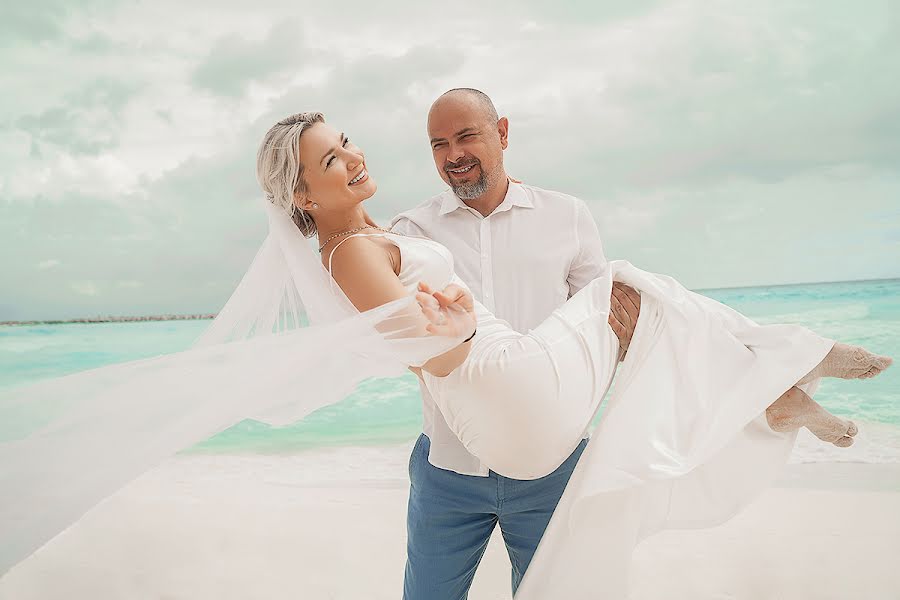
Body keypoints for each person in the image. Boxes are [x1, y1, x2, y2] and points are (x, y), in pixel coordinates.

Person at [258, 109, 891, 598]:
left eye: (346, 142)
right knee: (630, 289)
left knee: (640, 308)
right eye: (331, 159)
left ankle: (777, 384)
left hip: (536, 436)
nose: (353, 156)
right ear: (305, 198)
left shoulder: (391, 235)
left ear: (501, 134)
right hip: (468, 438)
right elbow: (426, 353)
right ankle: (782, 371)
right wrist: (454, 331)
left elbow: (413, 337)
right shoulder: (382, 239)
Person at [388, 88, 640, 599]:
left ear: (502, 133)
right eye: (439, 144)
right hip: (448, 468)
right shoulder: (411, 232)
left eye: (466, 136)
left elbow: (603, 326)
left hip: (554, 467)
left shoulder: (567, 215)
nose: (453, 155)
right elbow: (402, 339)